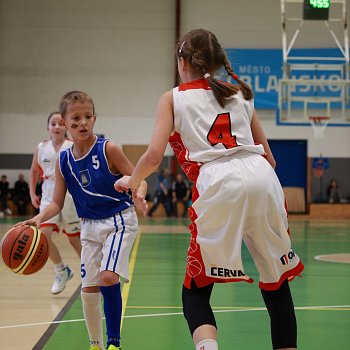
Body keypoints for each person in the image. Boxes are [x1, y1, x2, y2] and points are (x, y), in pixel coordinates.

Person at [115, 29, 304, 350]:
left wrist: (130, 182)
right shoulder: (241, 93)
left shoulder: (173, 97)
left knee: (196, 289)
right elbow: (269, 157)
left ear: (182, 61)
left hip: (218, 182)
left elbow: (153, 156)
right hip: (262, 176)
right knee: (276, 281)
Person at [18, 91, 148, 350]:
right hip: (89, 225)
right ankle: (96, 344)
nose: (82, 123)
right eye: (75, 118)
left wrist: (139, 195)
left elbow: (139, 178)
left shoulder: (107, 148)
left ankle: (114, 343)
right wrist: (39, 217)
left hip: (118, 220)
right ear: (65, 123)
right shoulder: (63, 160)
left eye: (87, 117)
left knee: (108, 278)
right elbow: (56, 202)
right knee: (87, 290)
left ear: (94, 119)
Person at [29, 111, 81, 294]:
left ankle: (92, 274)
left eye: (60, 123)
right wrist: (32, 192)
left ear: (66, 126)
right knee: (43, 236)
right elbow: (34, 170)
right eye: (53, 123)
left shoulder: (73, 146)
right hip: (48, 193)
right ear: (48, 127)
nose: (57, 126)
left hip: (69, 195)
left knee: (75, 240)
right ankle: (61, 269)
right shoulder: (41, 147)